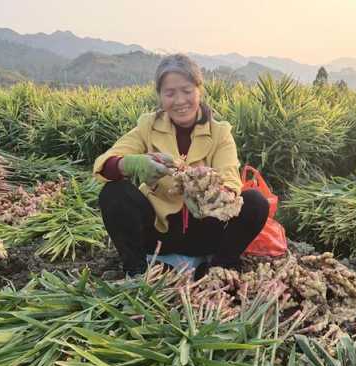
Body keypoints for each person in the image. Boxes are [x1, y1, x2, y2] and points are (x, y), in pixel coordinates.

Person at [93, 54, 269, 280]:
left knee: (255, 202)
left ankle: (218, 267)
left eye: (187, 91)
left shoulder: (220, 132)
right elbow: (105, 163)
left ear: (199, 90)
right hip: (159, 233)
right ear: (160, 96)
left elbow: (231, 178)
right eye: (170, 93)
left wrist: (211, 193)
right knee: (114, 193)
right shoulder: (148, 126)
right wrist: (132, 163)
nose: (179, 101)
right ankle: (137, 270)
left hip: (206, 230)